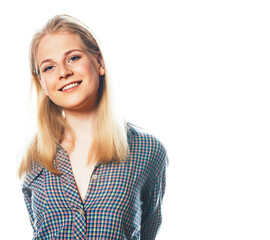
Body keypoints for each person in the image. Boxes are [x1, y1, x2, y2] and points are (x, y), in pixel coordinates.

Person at [19, 14, 168, 240]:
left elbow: (148, 231)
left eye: (73, 58)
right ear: (42, 84)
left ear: (99, 63)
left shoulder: (147, 150)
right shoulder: (34, 160)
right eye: (49, 67)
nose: (63, 72)